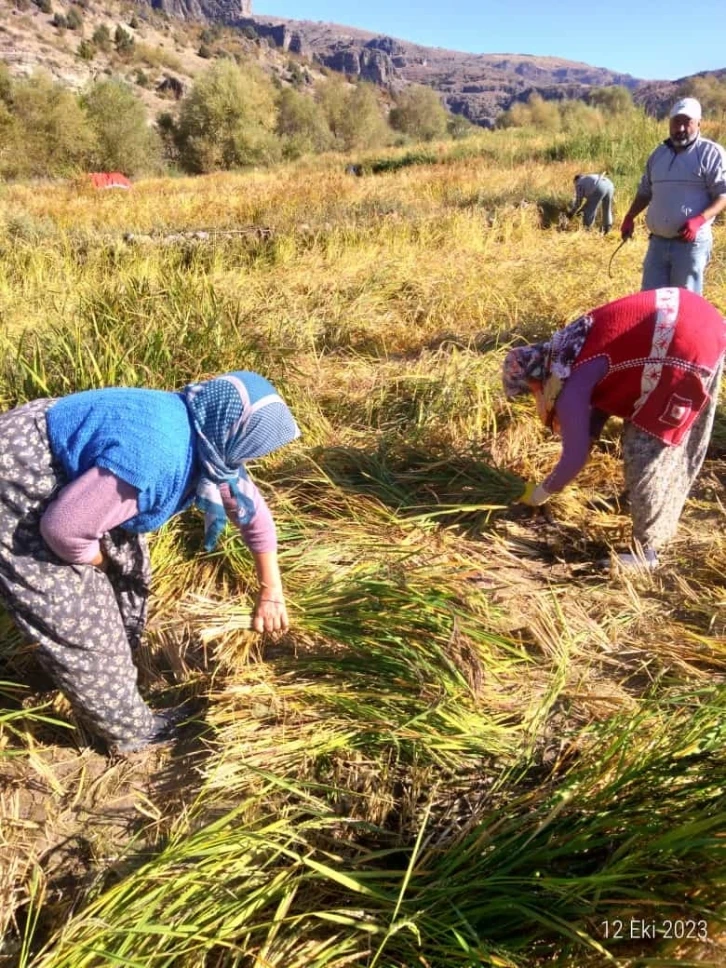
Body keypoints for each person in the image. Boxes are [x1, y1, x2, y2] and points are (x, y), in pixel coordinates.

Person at [0, 371, 300, 754]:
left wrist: (271, 590)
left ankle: (111, 668)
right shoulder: (157, 455)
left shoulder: (205, 432)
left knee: (129, 574)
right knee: (84, 623)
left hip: (74, 478)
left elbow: (251, 512)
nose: (251, 459)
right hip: (19, 480)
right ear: (232, 432)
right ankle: (132, 734)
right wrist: (98, 561)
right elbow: (62, 530)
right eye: (252, 448)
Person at [502, 287, 725, 569]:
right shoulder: (568, 350)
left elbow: (574, 459)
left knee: (645, 452)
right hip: (697, 318)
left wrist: (539, 494)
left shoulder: (569, 386)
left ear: (534, 381)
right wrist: (586, 433)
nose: (535, 398)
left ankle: (647, 553)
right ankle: (644, 505)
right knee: (660, 443)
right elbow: (605, 390)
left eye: (530, 392)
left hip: (683, 343)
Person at [620, 97, 726, 294]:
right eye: (677, 122)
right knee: (651, 300)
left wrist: (699, 220)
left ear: (699, 123)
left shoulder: (711, 153)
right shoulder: (658, 154)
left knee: (684, 302)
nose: (681, 128)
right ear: (669, 123)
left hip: (690, 245)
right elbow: (645, 191)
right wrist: (629, 216)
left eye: (688, 122)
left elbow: (723, 195)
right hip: (658, 243)